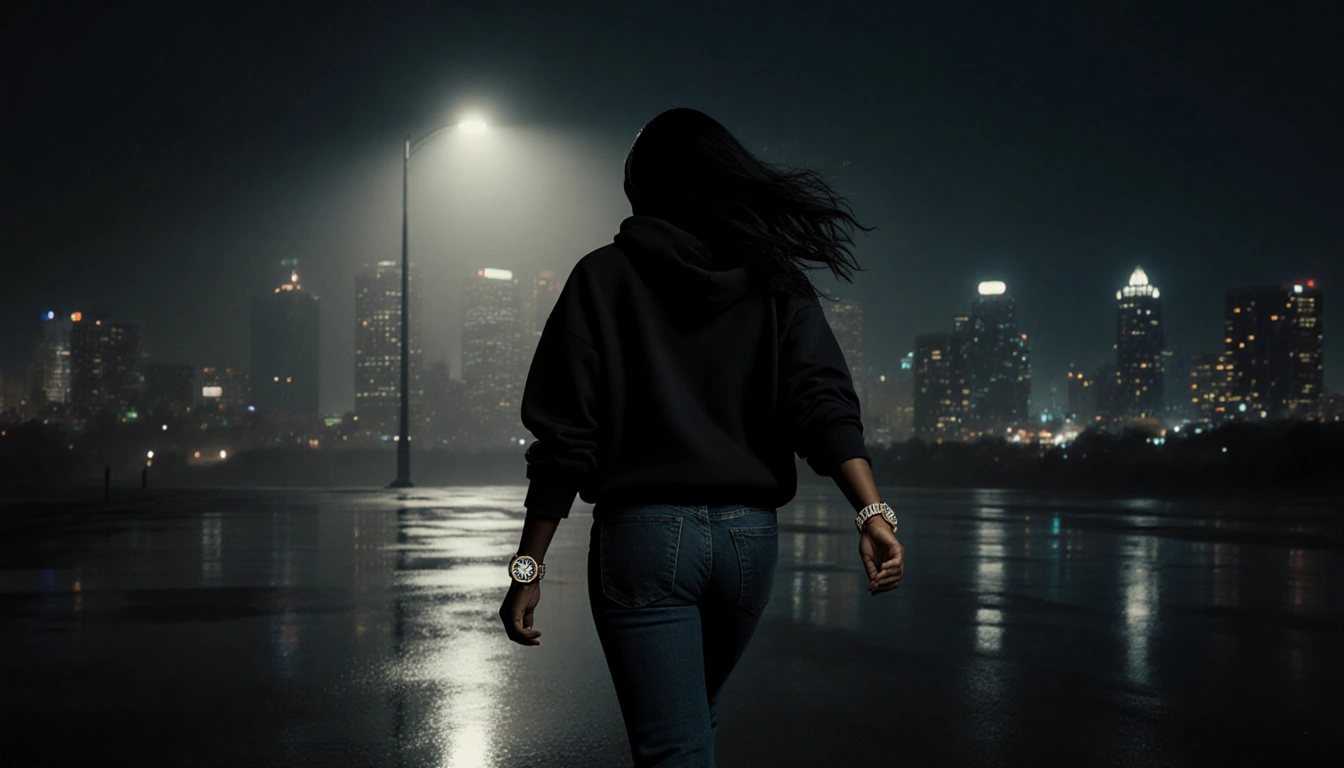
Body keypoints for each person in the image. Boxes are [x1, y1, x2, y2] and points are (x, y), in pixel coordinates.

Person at [498, 107, 905, 767]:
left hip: (644, 543)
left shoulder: (602, 278)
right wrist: (872, 510)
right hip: (749, 547)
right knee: (692, 724)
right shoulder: (777, 283)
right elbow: (820, 403)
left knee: (675, 746)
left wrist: (527, 570)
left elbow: (565, 440)